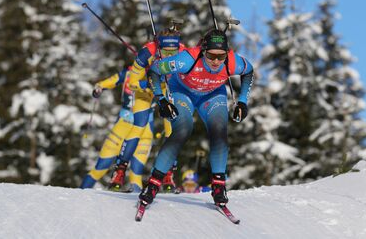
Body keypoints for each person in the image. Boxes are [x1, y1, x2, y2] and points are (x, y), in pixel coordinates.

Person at [138, 28, 254, 207]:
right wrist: (161, 100)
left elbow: (249, 71)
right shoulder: (187, 59)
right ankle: (153, 183)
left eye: (220, 56)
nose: (216, 61)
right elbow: (154, 70)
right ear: (203, 50)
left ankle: (218, 186)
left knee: (219, 131)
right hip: (183, 92)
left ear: (227, 53)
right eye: (211, 56)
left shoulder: (232, 61)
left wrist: (243, 101)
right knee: (183, 130)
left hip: (212, 95)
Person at [106, 25, 185, 192]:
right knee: (139, 125)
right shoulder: (146, 53)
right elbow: (132, 83)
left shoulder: (183, 51)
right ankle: (120, 171)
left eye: (174, 52)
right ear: (158, 49)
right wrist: (148, 83)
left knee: (172, 127)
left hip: (165, 88)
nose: (170, 57)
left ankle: (168, 173)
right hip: (145, 89)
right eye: (166, 52)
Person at [80, 67, 152, 191]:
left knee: (136, 173)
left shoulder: (157, 75)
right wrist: (99, 88)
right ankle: (77, 197)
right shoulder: (128, 73)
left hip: (144, 129)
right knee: (101, 167)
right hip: (123, 125)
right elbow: (107, 82)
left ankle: (137, 206)